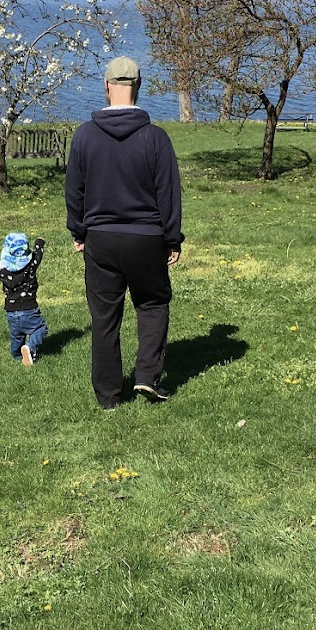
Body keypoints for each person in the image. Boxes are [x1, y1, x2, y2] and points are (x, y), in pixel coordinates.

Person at [65, 55, 183, 409]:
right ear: (139, 87)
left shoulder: (84, 136)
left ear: (106, 86)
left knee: (104, 317)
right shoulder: (156, 138)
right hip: (146, 238)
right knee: (152, 303)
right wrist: (171, 238)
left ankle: (109, 396)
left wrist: (79, 231)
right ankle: (146, 376)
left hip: (100, 237)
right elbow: (169, 193)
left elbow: (75, 191)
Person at [0, 232, 48, 367]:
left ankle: (17, 355)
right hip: (29, 308)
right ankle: (29, 347)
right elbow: (38, 256)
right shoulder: (30, 266)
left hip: (11, 310)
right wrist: (39, 243)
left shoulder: (2, 271)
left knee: (16, 335)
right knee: (40, 329)